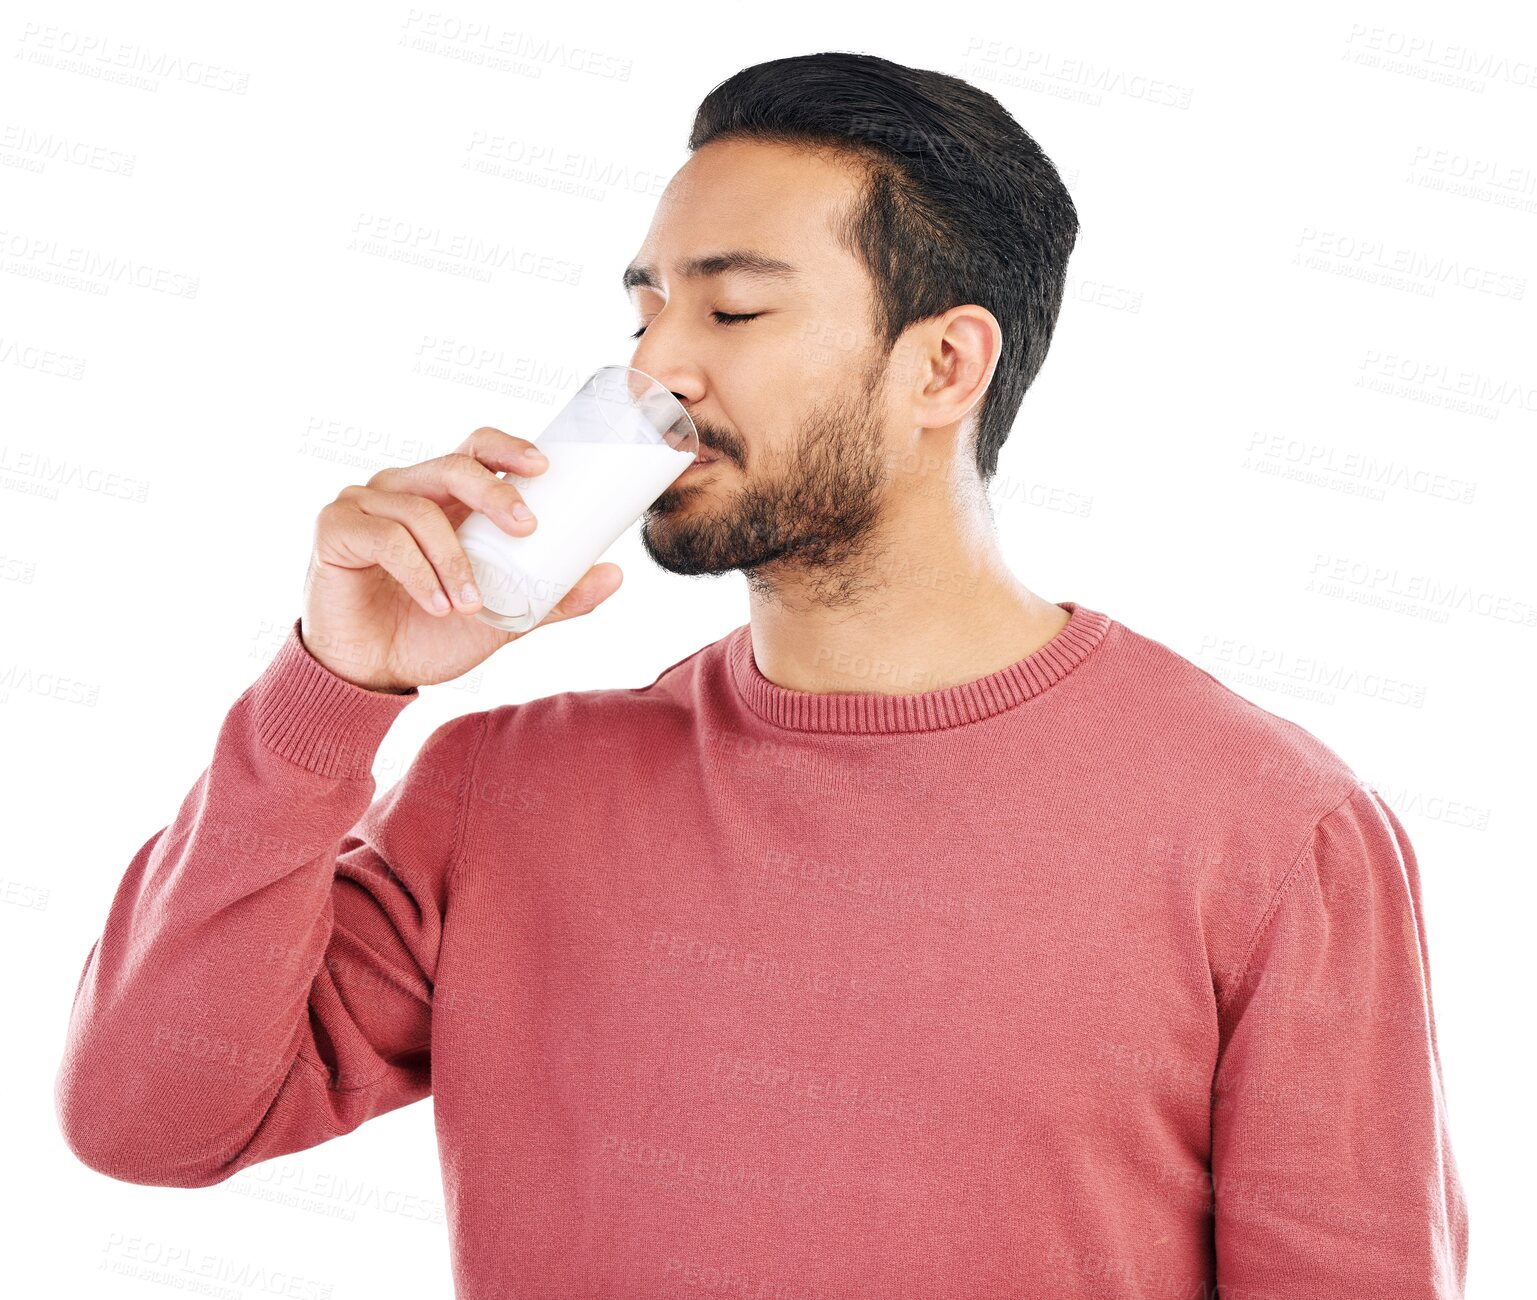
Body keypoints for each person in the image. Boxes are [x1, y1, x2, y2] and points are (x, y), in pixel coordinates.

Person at [55, 50, 1469, 1299]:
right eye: (643, 314)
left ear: (940, 368)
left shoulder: (1269, 825)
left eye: (730, 316)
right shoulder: (502, 785)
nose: (655, 369)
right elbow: (150, 1122)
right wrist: (333, 689)